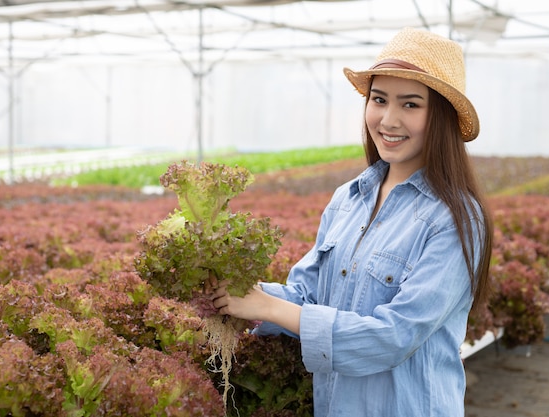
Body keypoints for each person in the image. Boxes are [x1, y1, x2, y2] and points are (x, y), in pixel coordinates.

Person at [211, 27, 493, 416]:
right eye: (379, 100)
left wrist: (270, 308)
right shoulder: (347, 199)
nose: (388, 120)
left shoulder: (455, 219)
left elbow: (394, 336)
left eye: (410, 105)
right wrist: (243, 294)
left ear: (441, 116)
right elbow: (307, 295)